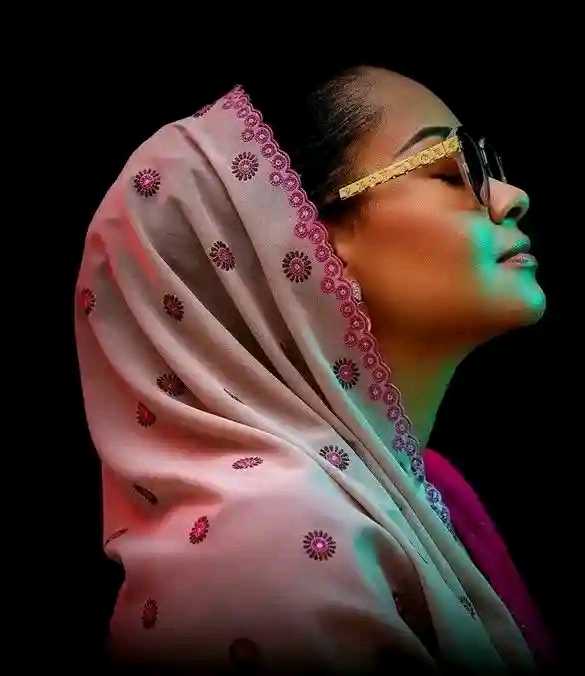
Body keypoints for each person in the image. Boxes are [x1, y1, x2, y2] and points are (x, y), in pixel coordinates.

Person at [75, 66, 556, 673]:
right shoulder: (265, 556)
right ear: (299, 242)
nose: (512, 197)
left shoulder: (437, 493)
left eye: (486, 165)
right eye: (449, 170)